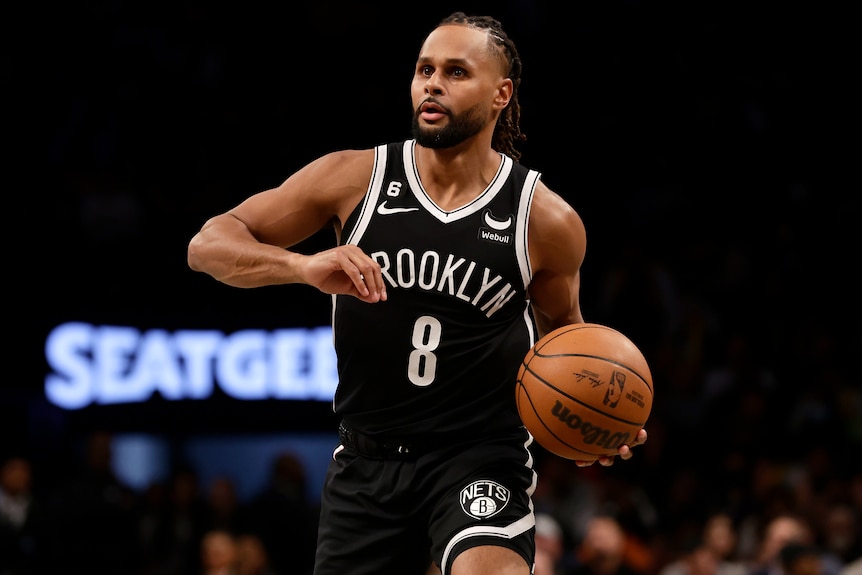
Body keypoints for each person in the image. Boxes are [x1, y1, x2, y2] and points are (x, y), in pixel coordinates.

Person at [187, 11, 647, 575]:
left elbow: (565, 341)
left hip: (478, 456)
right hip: (367, 459)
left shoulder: (544, 220)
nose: (432, 83)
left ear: (501, 94)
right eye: (424, 69)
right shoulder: (353, 178)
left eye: (456, 72)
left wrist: (593, 419)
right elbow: (207, 245)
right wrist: (303, 266)